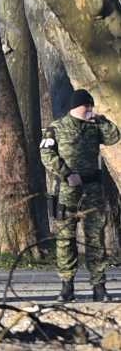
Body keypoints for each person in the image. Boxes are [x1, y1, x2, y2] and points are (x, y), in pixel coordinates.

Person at [41, 90, 121, 302]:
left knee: (96, 236)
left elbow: (114, 136)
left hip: (92, 188)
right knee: (66, 237)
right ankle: (67, 285)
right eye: (89, 107)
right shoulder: (56, 128)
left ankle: (99, 286)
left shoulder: (95, 126)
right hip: (67, 189)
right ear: (80, 106)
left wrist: (100, 119)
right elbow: (47, 155)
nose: (91, 110)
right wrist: (67, 174)